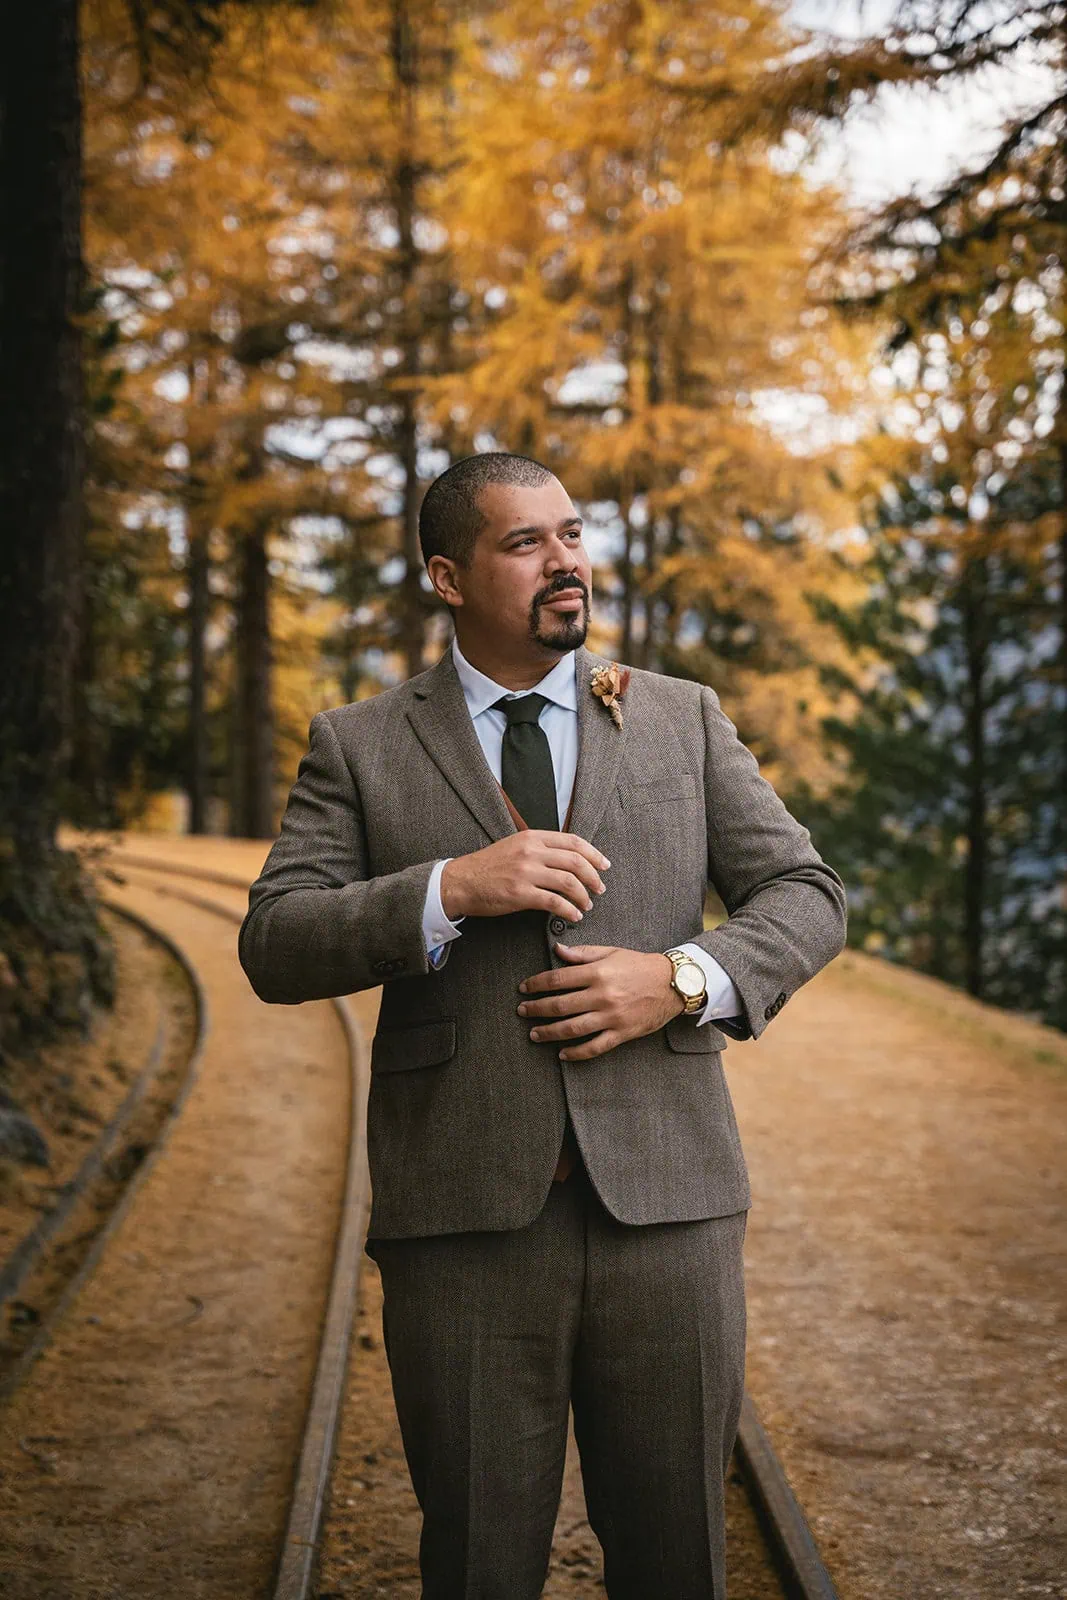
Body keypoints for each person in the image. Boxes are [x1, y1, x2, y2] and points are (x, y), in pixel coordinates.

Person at [238, 451, 847, 1599]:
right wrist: (448, 888)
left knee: (677, 1559)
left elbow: (805, 896)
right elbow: (274, 941)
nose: (565, 559)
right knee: (476, 1562)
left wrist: (679, 978)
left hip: (669, 1211)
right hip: (462, 1219)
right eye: (525, 543)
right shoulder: (359, 742)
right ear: (448, 576)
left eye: (570, 533)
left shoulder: (680, 717)